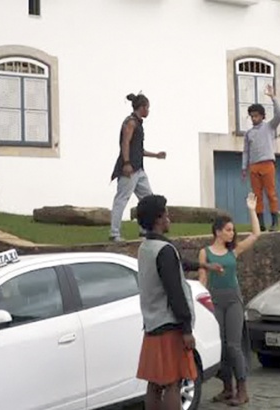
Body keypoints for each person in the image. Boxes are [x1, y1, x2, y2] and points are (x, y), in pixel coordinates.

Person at [135, 194, 219, 410]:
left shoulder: (146, 247)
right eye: (166, 213)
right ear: (159, 218)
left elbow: (177, 264)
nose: (169, 217)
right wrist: (186, 329)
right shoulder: (164, 250)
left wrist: (203, 267)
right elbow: (175, 292)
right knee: (173, 382)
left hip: (152, 324)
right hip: (170, 325)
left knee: (154, 383)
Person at [198, 192, 261, 406]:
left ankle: (242, 390)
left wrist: (252, 210)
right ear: (217, 232)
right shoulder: (205, 253)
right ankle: (227, 388)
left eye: (233, 230)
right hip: (215, 301)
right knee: (220, 346)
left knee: (234, 345)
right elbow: (203, 279)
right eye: (228, 230)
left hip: (233, 300)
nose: (232, 233)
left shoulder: (233, 251)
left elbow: (256, 234)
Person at [109, 93, 167, 242]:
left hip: (139, 169)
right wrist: (127, 163)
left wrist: (155, 155)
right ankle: (114, 232)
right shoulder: (131, 122)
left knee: (148, 198)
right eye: (147, 108)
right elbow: (125, 143)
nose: (148, 111)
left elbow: (138, 149)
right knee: (122, 199)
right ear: (141, 108)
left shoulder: (138, 124)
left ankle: (145, 230)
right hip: (130, 168)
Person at [242, 84, 280, 232]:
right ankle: (260, 223)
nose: (254, 118)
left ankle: (274, 222)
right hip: (254, 165)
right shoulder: (249, 133)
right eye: (252, 116)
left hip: (267, 164)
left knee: (271, 194)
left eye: (256, 116)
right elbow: (246, 151)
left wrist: (273, 97)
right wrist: (244, 167)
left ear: (262, 116)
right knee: (257, 196)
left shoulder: (270, 127)